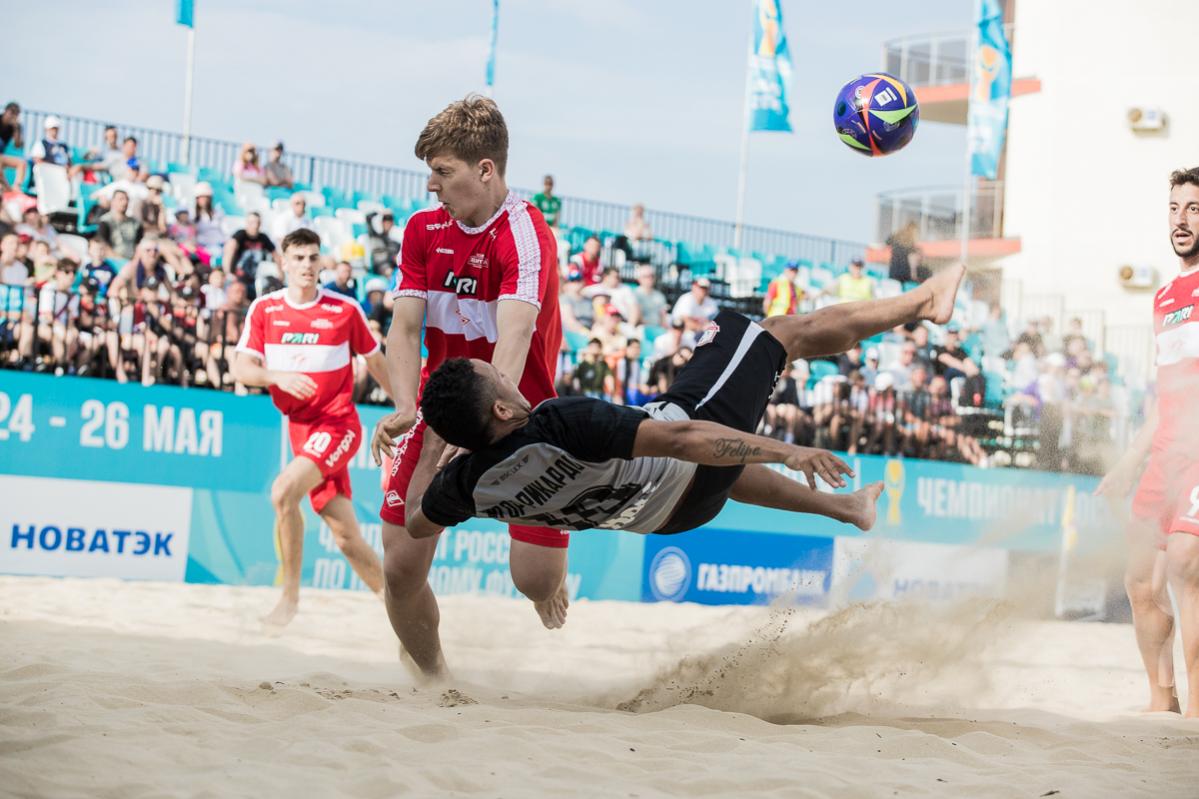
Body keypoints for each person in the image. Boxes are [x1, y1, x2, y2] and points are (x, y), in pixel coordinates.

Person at [392, 266, 966, 558]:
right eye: (497, 374)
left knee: (715, 462)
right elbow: (687, 439)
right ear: (500, 406)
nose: (506, 373)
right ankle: (925, 301)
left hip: (670, 518)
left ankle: (845, 508)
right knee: (776, 333)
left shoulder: (465, 485)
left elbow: (417, 521)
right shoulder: (557, 424)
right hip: (682, 465)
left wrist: (436, 446)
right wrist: (789, 451)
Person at [367, 96, 566, 681]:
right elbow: (405, 328)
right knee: (400, 570)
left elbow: (515, 337)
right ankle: (435, 681)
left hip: (517, 410)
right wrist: (406, 405)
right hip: (443, 405)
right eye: (430, 171)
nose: (431, 185)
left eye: (442, 171)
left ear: (485, 170)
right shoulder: (422, 229)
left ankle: (552, 575)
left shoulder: (525, 232)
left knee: (534, 581)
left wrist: (483, 422)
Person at [231, 228, 392, 627]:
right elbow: (241, 368)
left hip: (338, 424)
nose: (306, 265)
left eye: (313, 257)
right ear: (283, 262)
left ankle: (289, 600)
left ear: (322, 263)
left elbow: (376, 363)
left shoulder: (344, 309)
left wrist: (408, 409)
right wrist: (275, 376)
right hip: (301, 431)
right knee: (347, 538)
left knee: (283, 492)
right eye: (299, 258)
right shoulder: (265, 309)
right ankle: (401, 609)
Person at [1096, 167, 1199, 717]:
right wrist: (1129, 462)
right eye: (1175, 208)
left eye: (1194, 209)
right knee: (1139, 581)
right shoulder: (1162, 297)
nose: (1181, 220)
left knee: (1185, 562)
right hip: (1166, 455)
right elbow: (1166, 395)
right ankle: (1164, 704)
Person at [222, 211, 279, 295]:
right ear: (247, 223)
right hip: (237, 278)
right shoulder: (240, 235)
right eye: (252, 222)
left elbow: (276, 255)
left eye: (257, 222)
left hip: (253, 278)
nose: (255, 225)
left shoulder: (263, 237)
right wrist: (228, 273)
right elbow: (228, 252)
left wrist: (281, 274)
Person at [96, 190, 143, 260]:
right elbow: (103, 246)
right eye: (121, 199)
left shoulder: (135, 223)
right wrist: (120, 261)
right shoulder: (105, 221)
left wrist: (135, 260)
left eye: (127, 199)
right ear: (113, 202)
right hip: (113, 261)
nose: (125, 202)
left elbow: (139, 244)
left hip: (133, 260)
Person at [0, 102, 28, 192]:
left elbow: (17, 145)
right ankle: (9, 190)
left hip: (1, 157)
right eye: (12, 112)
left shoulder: (14, 127)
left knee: (22, 163)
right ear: (6, 111)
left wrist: (16, 128)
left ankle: (16, 187)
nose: (13, 116)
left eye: (16, 114)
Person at [365, 209, 401, 277]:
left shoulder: (394, 240)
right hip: (380, 265)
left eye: (390, 221)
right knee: (390, 271)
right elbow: (368, 218)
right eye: (385, 220)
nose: (388, 223)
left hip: (393, 265)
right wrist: (380, 213)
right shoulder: (374, 236)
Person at [632, 264, 669, 329]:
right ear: (639, 279)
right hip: (642, 328)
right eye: (646, 276)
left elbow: (663, 317)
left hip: (658, 329)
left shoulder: (660, 296)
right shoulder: (634, 294)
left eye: (652, 276)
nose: (650, 278)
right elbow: (636, 317)